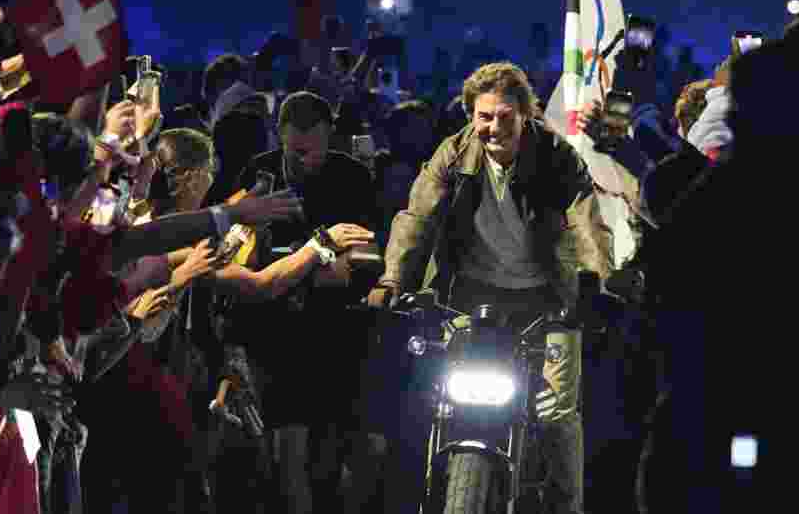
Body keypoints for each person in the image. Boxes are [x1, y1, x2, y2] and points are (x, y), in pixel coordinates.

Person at [368, 61, 618, 514]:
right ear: (471, 116)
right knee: (436, 396)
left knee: (556, 413)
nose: (494, 127)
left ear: (526, 115)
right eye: (484, 117)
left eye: (505, 116)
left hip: (548, 301)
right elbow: (417, 219)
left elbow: (587, 223)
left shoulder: (557, 156)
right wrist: (392, 280)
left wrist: (593, 282)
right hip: (470, 299)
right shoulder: (452, 154)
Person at [232, 90, 380, 513]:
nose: (303, 161)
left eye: (312, 151)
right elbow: (241, 249)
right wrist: (309, 263)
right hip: (275, 330)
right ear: (279, 136)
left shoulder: (351, 177)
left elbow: (360, 254)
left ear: (328, 138)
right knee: (287, 446)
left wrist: (311, 263)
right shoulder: (258, 176)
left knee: (337, 447)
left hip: (336, 329)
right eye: (295, 151)